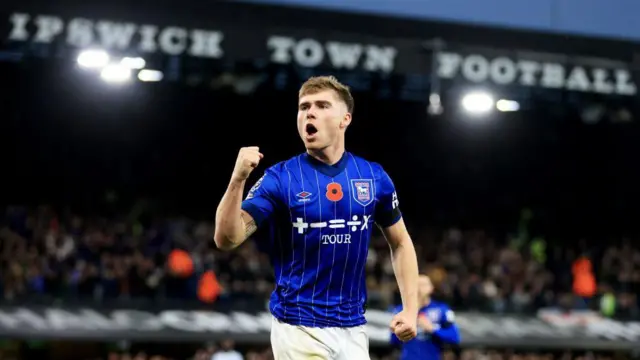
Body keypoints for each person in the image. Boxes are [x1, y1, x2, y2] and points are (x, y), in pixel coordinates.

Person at [214, 75, 420, 360]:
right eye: (304, 107)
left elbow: (400, 243)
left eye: (322, 105)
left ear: (344, 119)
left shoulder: (373, 177)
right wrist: (238, 179)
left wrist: (410, 309)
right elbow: (227, 239)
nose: (309, 112)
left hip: (353, 326)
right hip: (298, 325)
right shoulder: (281, 178)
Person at [390, 275, 461, 359]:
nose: (420, 288)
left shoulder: (441, 309)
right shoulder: (402, 310)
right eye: (417, 284)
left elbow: (454, 336)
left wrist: (432, 329)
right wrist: (403, 329)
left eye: (423, 284)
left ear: (431, 288)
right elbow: (393, 340)